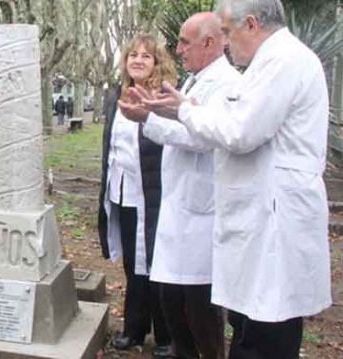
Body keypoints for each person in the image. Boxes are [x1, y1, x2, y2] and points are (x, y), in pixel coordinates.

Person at [136, 0, 332, 358]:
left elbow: (241, 131)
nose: (226, 42)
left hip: (275, 221)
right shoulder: (267, 63)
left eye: (227, 32)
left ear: (252, 24)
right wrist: (186, 107)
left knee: (264, 335)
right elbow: (233, 115)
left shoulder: (284, 61)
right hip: (260, 219)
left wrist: (181, 110)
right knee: (249, 326)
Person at [119, 12, 238, 359]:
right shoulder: (194, 80)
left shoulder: (226, 83)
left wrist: (149, 119)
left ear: (210, 43)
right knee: (172, 302)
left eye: (186, 42)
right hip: (178, 211)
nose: (179, 49)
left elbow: (203, 137)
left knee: (200, 310)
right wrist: (153, 111)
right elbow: (183, 121)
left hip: (199, 215)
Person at [97, 33, 174, 358]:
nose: (138, 60)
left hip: (156, 196)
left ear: (157, 63)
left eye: (146, 56)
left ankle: (168, 335)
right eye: (133, 55)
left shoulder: (163, 98)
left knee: (159, 265)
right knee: (133, 265)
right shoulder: (116, 94)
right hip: (123, 194)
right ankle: (135, 329)